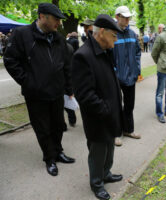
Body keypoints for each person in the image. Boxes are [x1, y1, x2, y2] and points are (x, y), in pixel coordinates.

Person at [3, 3, 75, 176]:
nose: (59, 23)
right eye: (56, 19)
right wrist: (28, 82)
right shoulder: (22, 35)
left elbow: (66, 64)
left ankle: (58, 152)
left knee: (58, 125)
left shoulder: (58, 37)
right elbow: (10, 60)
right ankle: (49, 158)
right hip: (36, 94)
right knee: (43, 129)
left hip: (56, 92)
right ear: (42, 16)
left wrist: (68, 87)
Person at [72, 14, 124, 200]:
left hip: (109, 114)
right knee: (98, 151)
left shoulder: (104, 50)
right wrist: (105, 110)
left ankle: (106, 173)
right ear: (102, 32)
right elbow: (85, 95)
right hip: (98, 117)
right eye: (114, 35)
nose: (116, 40)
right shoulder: (83, 56)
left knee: (109, 149)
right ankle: (96, 183)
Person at [113, 5, 142, 146]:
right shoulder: (112, 33)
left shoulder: (132, 34)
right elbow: (108, 55)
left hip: (131, 76)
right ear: (117, 17)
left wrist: (137, 70)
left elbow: (137, 52)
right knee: (116, 106)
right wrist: (113, 71)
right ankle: (116, 133)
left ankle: (128, 130)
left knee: (129, 105)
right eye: (124, 17)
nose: (127, 19)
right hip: (116, 77)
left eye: (128, 17)